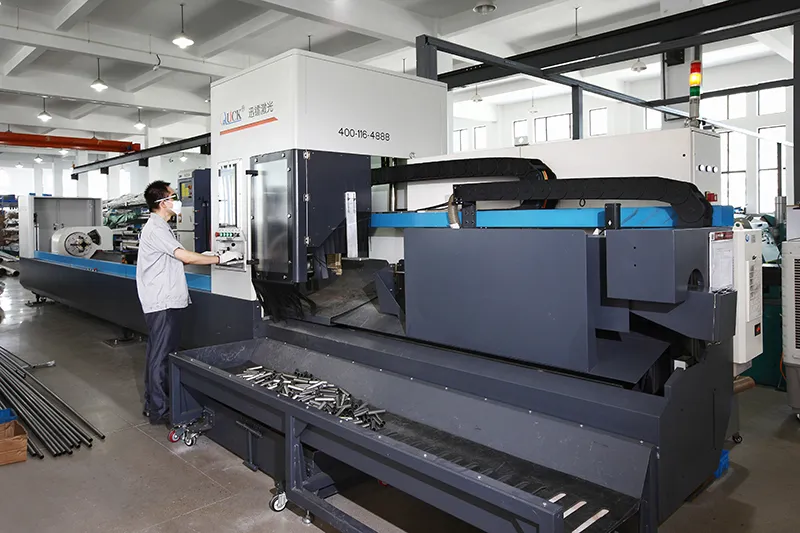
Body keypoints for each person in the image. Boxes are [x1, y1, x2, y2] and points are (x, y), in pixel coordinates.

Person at [136, 180, 242, 425]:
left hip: (162, 299)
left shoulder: (160, 227)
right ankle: (160, 410)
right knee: (162, 357)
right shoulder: (157, 228)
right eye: (173, 197)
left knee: (157, 353)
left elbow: (176, 259)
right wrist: (220, 259)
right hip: (163, 302)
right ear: (163, 203)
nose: (177, 201)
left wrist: (204, 256)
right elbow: (183, 256)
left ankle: (153, 404)